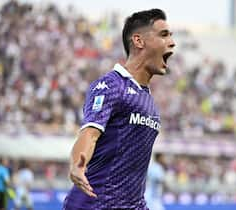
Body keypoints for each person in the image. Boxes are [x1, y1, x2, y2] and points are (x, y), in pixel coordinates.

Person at [63, 8, 175, 210]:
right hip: (94, 204)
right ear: (139, 41)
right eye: (164, 34)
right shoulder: (111, 86)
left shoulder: (148, 100)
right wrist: (77, 164)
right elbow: (90, 134)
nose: (172, 42)